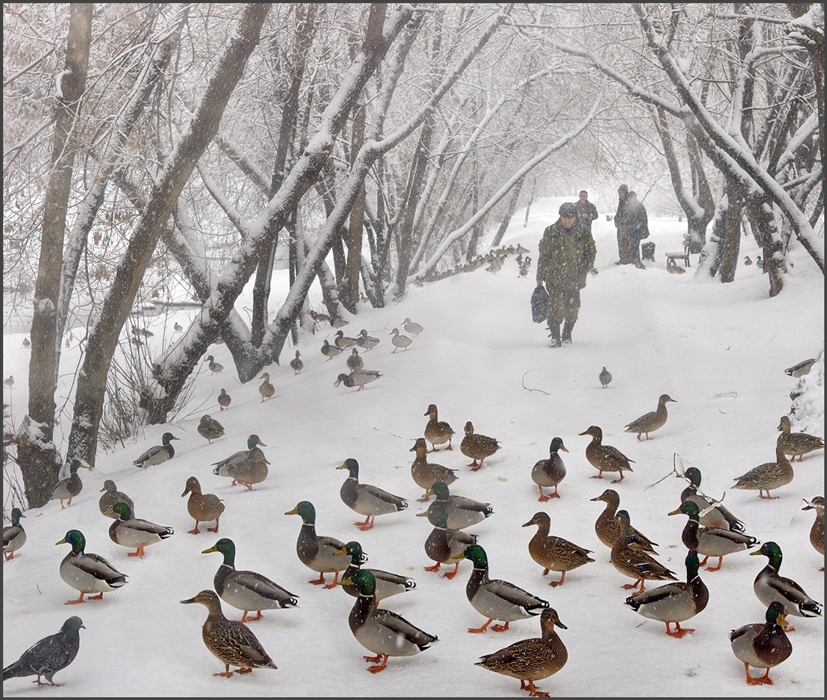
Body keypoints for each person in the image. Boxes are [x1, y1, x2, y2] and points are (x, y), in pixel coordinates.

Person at [535, 202, 597, 347]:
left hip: (574, 277)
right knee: (555, 306)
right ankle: (555, 336)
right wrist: (540, 277)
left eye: (571, 218)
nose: (568, 222)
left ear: (576, 218)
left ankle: (567, 332)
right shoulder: (551, 231)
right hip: (554, 276)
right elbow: (544, 255)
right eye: (565, 218)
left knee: (572, 307)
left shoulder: (583, 232)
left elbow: (590, 252)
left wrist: (583, 269)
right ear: (560, 217)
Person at [624, 190, 649, 269]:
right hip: (632, 230)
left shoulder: (639, 207)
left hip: (637, 231)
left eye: (630, 198)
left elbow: (642, 220)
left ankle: (636, 261)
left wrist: (633, 226)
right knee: (632, 246)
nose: (629, 200)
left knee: (635, 246)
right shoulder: (630, 206)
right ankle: (634, 261)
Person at [614, 184, 631, 264]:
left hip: (626, 226)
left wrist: (624, 223)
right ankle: (622, 259)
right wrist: (616, 220)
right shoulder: (620, 201)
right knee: (620, 243)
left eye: (621, 192)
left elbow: (629, 214)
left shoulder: (628, 201)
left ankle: (627, 260)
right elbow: (619, 213)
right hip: (620, 226)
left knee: (626, 243)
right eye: (619, 192)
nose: (620, 194)